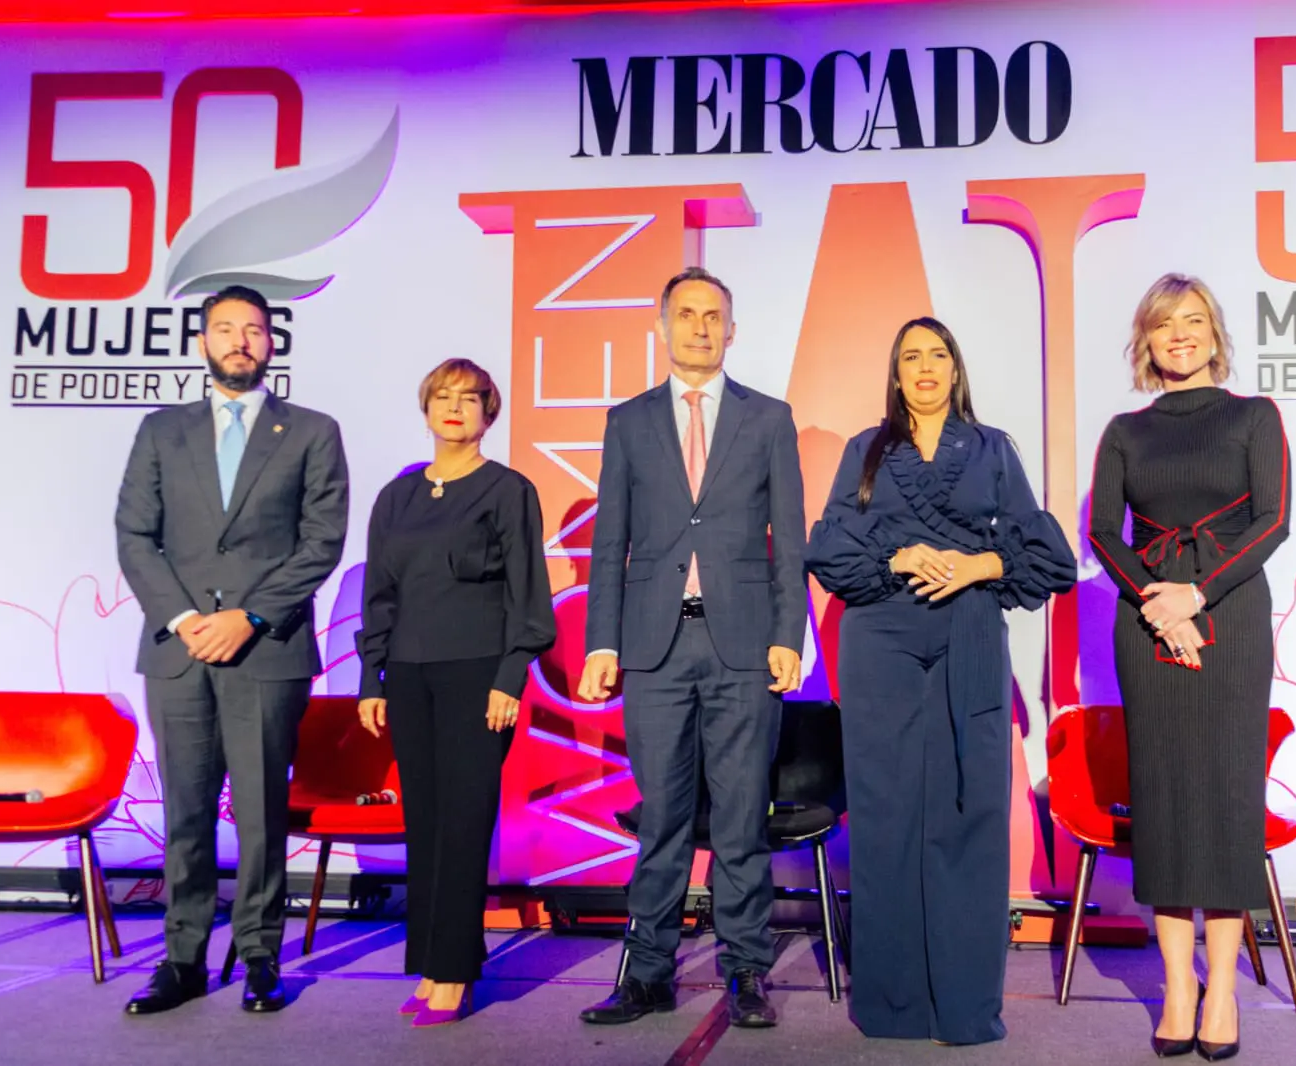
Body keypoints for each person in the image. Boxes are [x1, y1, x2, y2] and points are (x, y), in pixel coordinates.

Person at [804, 316, 1076, 1045]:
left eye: (938, 355)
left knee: (971, 814)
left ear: (956, 370)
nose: (925, 367)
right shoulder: (867, 450)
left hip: (970, 637)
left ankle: (963, 1008)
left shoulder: (992, 450)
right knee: (888, 817)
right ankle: (893, 1007)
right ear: (896, 376)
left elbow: (1047, 556)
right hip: (882, 641)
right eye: (911, 357)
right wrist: (899, 559)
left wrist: (978, 565)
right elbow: (829, 546)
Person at [576, 267, 807, 1029]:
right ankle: (647, 973)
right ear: (661, 324)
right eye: (687, 314)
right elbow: (609, 543)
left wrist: (787, 634)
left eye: (714, 316)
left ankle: (745, 972)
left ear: (733, 330)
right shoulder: (629, 421)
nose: (701, 327)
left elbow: (789, 544)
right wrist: (601, 642)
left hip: (743, 646)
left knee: (742, 820)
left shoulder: (769, 419)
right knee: (662, 819)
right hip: (654, 647)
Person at [115, 284, 349, 1015]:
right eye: (225, 329)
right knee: (185, 812)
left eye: (253, 329)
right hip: (179, 650)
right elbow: (134, 536)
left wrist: (248, 616)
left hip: (265, 650)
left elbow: (322, 544)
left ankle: (258, 956)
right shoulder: (161, 430)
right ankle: (182, 958)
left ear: (271, 343)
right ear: (201, 344)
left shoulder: (311, 430)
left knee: (259, 811)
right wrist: (186, 617)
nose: (240, 340)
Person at [1087, 273, 1290, 1061]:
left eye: (1194, 320)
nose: (1181, 333)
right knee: (1166, 803)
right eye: (1166, 322)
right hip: (1145, 622)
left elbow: (1273, 519)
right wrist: (1158, 603)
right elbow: (1106, 533)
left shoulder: (1254, 417)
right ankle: (1177, 990)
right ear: (1147, 338)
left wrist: (1196, 595)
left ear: (1215, 333)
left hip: (1230, 615)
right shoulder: (1125, 431)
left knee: (1227, 799)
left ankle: (1223, 992)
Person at [354, 358, 556, 1027]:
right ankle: (432, 964)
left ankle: (457, 974)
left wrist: (510, 676)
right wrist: (370, 676)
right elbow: (378, 595)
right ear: (425, 407)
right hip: (407, 675)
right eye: (443, 396)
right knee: (428, 825)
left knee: (466, 823)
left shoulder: (507, 490)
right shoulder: (396, 496)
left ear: (487, 413)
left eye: (470, 398)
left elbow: (528, 593)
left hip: (477, 675)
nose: (455, 407)